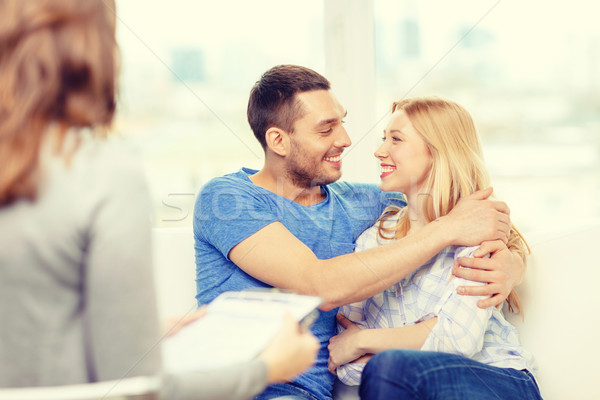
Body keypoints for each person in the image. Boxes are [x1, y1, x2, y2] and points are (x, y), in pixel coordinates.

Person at [0, 1, 319, 399]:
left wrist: (141, 335)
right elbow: (140, 391)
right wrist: (267, 368)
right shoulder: (103, 174)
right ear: (91, 49)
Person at [194, 65, 527, 400]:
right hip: (229, 387)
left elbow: (455, 205)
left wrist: (513, 264)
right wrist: (448, 229)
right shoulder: (227, 200)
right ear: (278, 140)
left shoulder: (368, 204)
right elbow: (319, 285)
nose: (346, 140)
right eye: (326, 130)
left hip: (301, 393)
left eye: (342, 122)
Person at [327, 97, 542, 399]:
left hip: (497, 383)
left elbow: (458, 339)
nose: (379, 151)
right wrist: (425, 332)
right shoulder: (371, 240)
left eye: (396, 139)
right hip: (409, 387)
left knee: (390, 367)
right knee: (389, 369)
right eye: (383, 139)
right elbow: (344, 363)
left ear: (438, 151)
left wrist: (364, 340)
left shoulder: (477, 231)